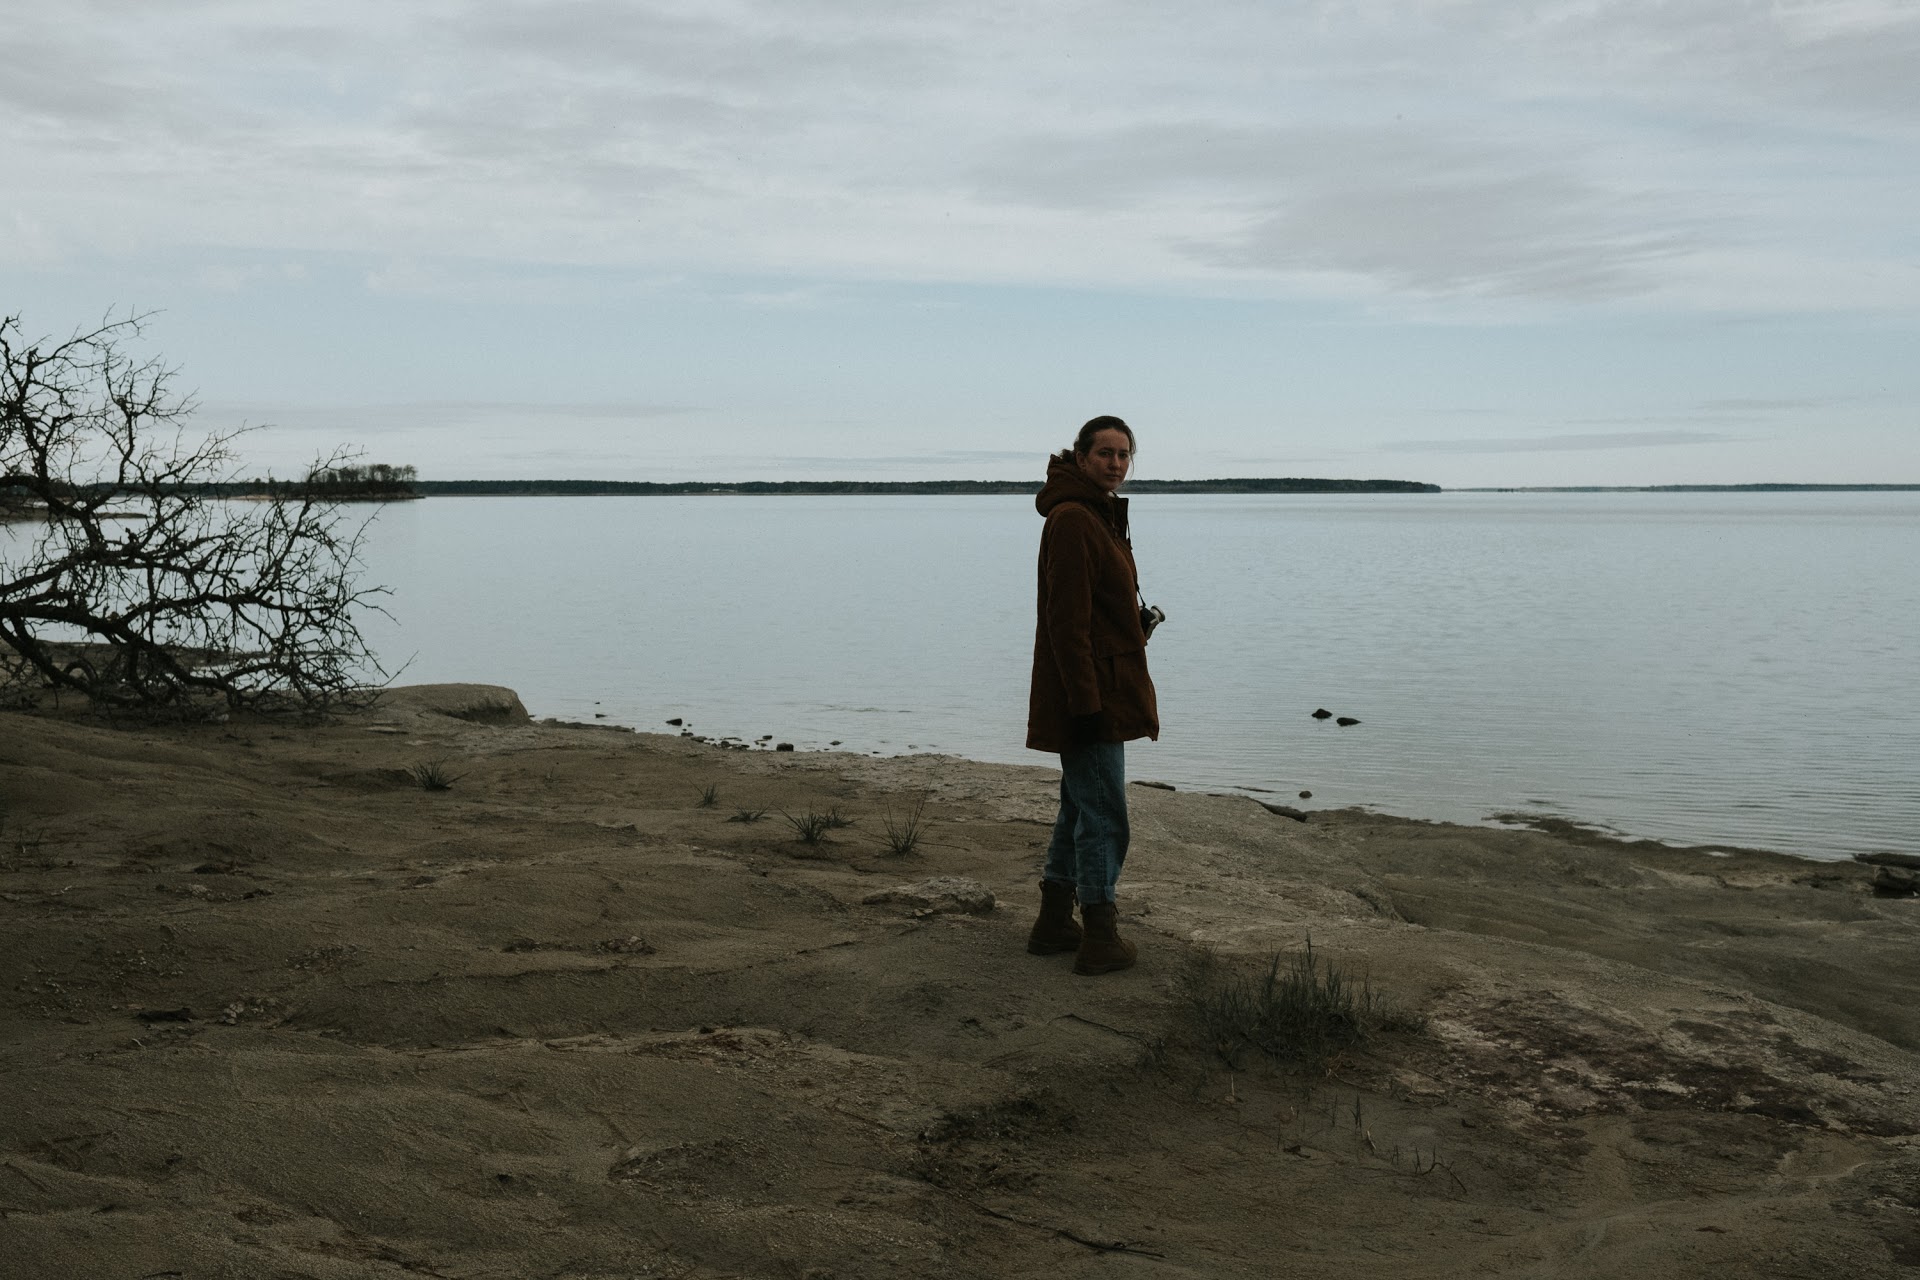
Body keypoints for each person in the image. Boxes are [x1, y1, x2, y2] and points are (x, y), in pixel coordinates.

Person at [1025, 415, 1160, 975]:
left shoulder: (1095, 513)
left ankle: (1054, 921)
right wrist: (1085, 706)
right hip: (1092, 696)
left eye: (1124, 454)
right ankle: (1100, 937)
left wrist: (1132, 624)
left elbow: (1093, 610)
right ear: (1080, 458)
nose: (1116, 463)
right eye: (1105, 453)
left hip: (1100, 686)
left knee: (1080, 805)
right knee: (1105, 815)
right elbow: (1066, 623)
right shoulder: (1076, 519)